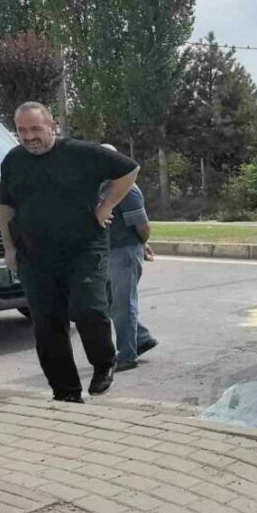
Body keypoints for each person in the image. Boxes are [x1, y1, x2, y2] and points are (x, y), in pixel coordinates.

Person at [0, 102, 139, 402]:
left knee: (88, 309)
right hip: (34, 255)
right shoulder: (12, 161)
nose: (29, 136)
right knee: (47, 326)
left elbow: (129, 169)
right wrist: (9, 249)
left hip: (84, 249)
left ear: (53, 126)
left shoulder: (81, 153)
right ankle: (65, 392)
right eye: (22, 130)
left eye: (36, 129)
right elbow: (6, 206)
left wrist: (106, 205)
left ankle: (104, 362)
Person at [100, 144, 158, 372]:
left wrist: (142, 244)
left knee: (123, 304)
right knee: (110, 302)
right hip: (107, 252)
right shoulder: (101, 187)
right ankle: (141, 338)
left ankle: (126, 355)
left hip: (124, 252)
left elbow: (142, 226)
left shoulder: (128, 189)